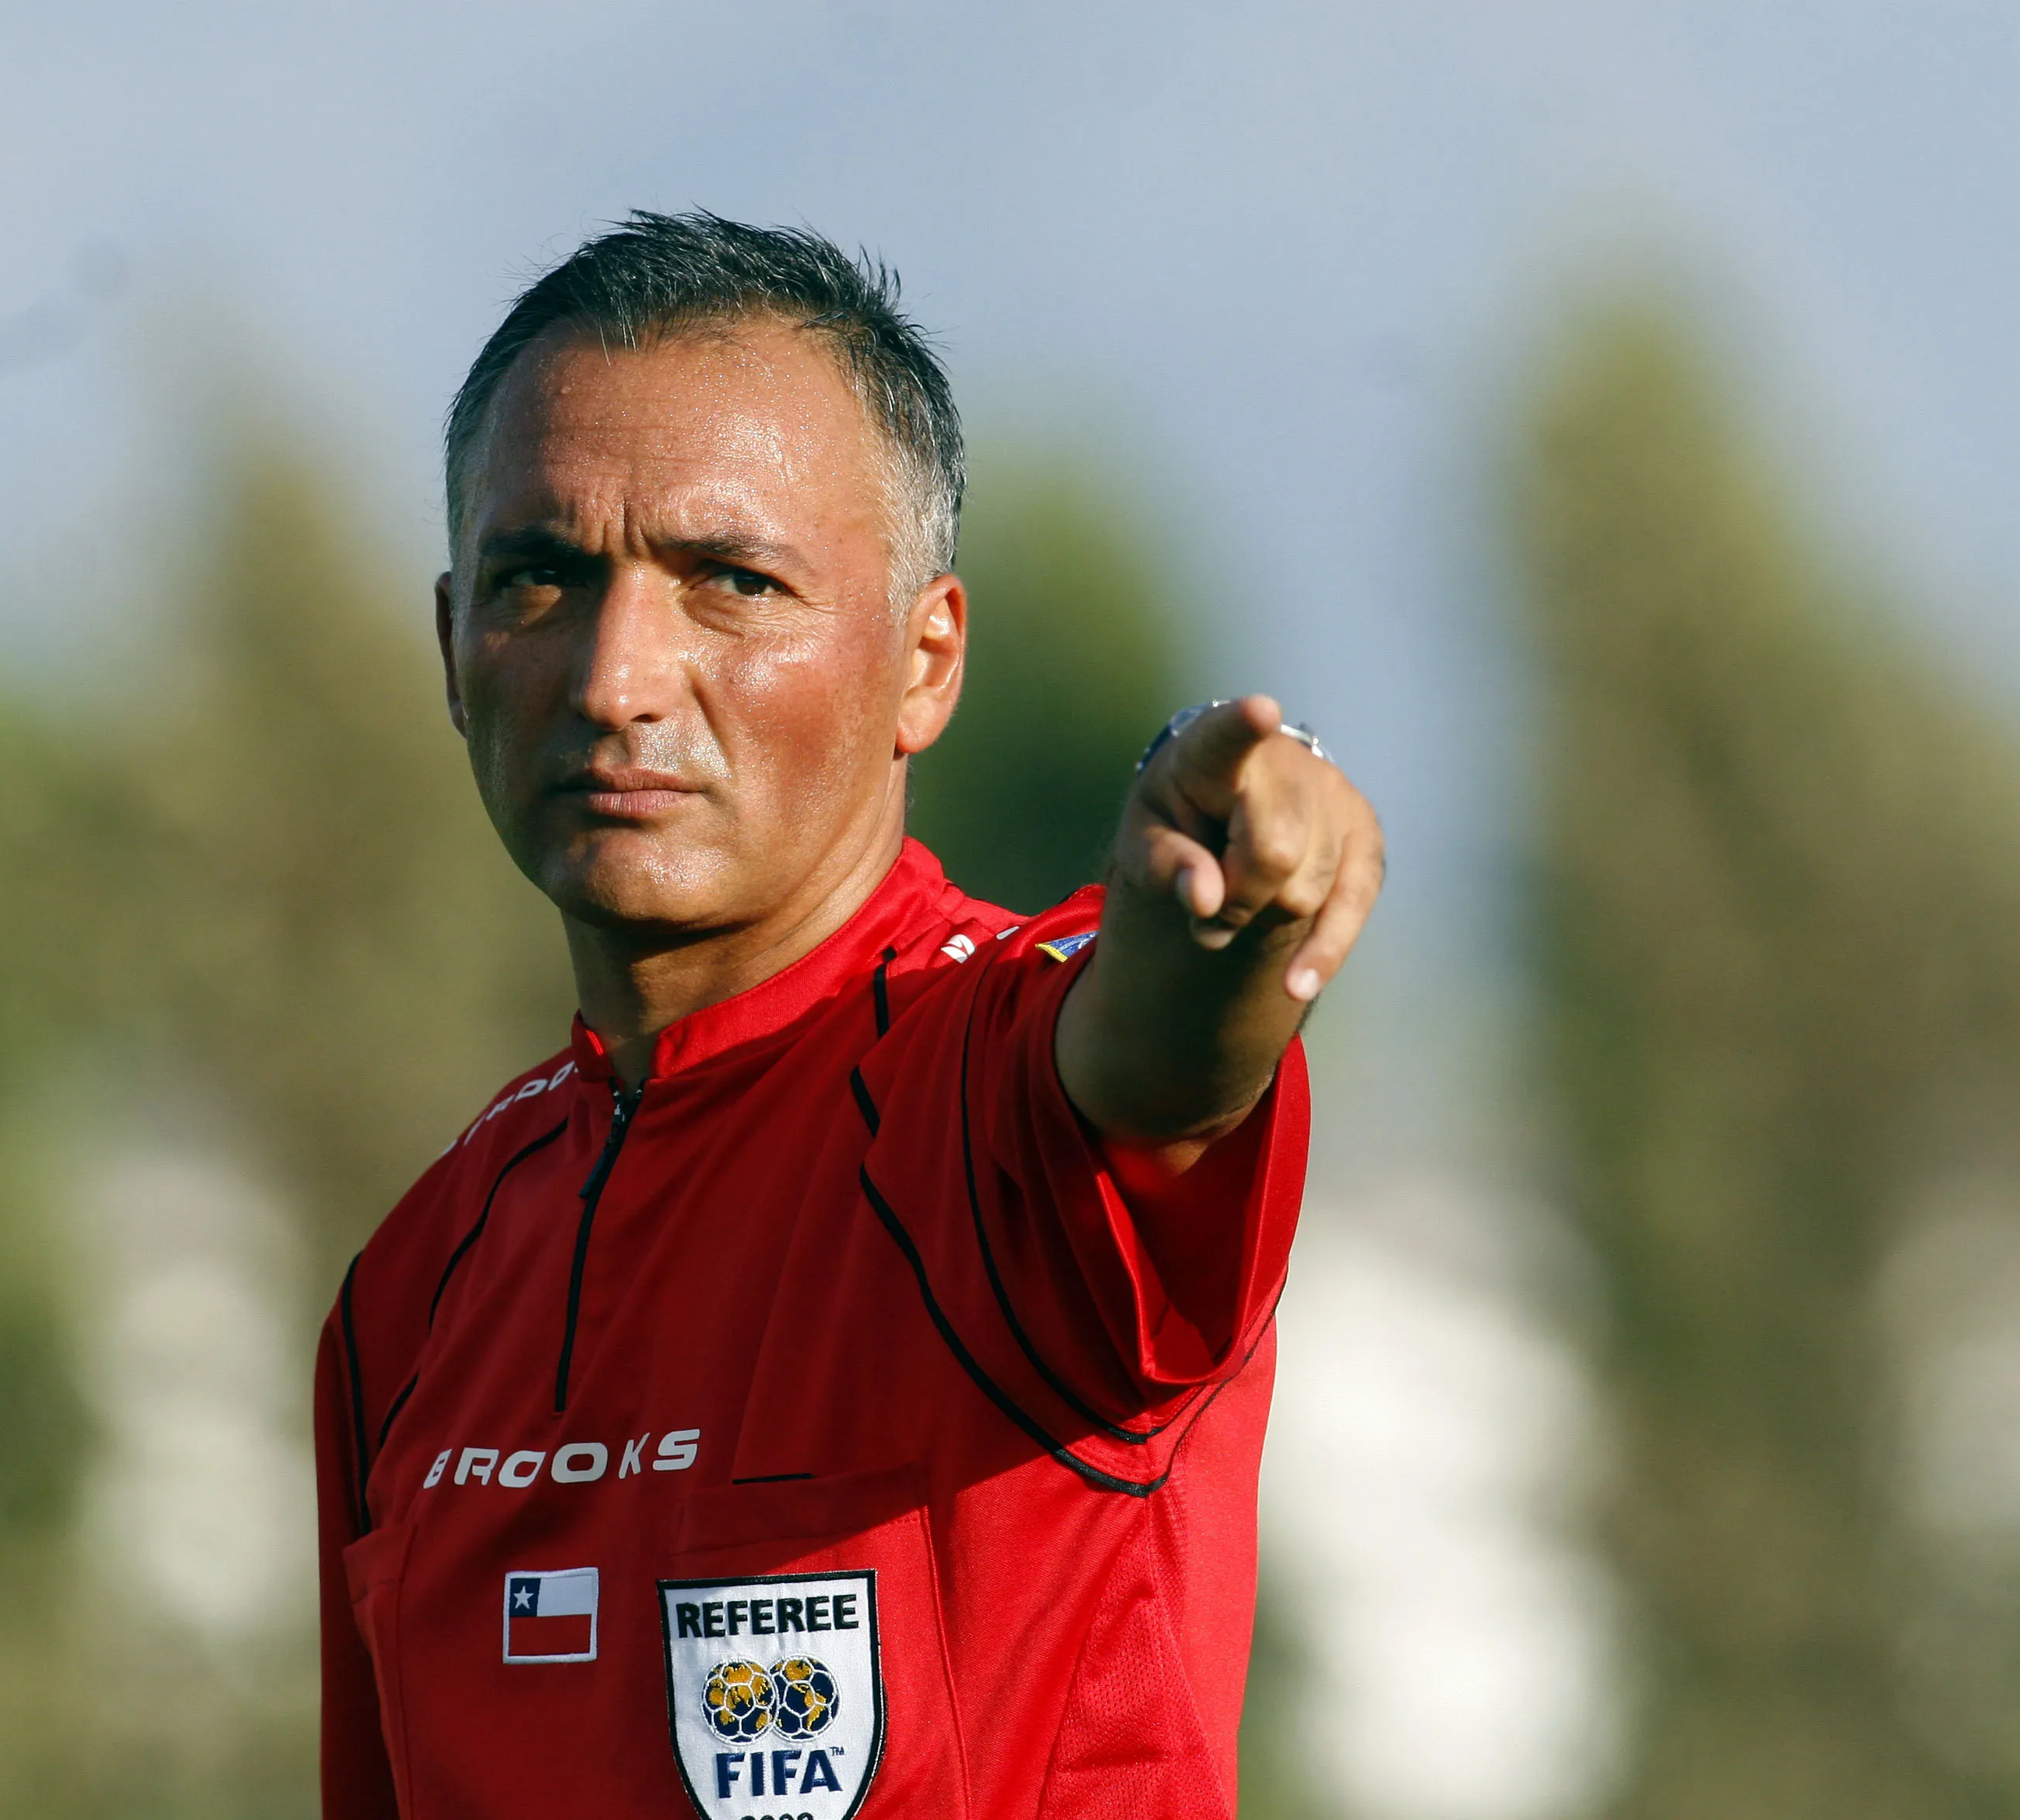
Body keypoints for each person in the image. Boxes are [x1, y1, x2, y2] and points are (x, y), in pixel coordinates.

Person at [315, 212, 1383, 1820]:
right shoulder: (412, 1296)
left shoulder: (997, 1092)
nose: (617, 675)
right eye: (541, 577)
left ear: (925, 662)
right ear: (455, 646)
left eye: (732, 581)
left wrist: (1232, 917)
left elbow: (1157, 1065)